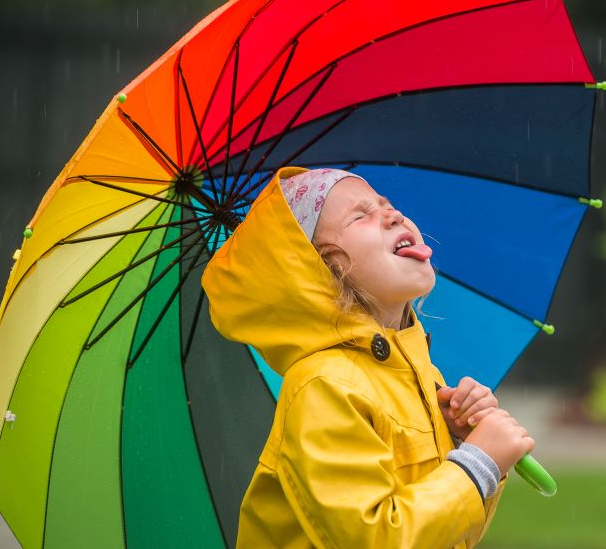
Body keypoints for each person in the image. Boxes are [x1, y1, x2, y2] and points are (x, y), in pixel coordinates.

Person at [202, 166, 535, 548]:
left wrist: (459, 443)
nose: (392, 214)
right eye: (361, 216)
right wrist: (478, 465)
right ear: (320, 269)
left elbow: (445, 537)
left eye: (387, 204)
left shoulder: (416, 373)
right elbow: (374, 538)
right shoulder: (324, 386)